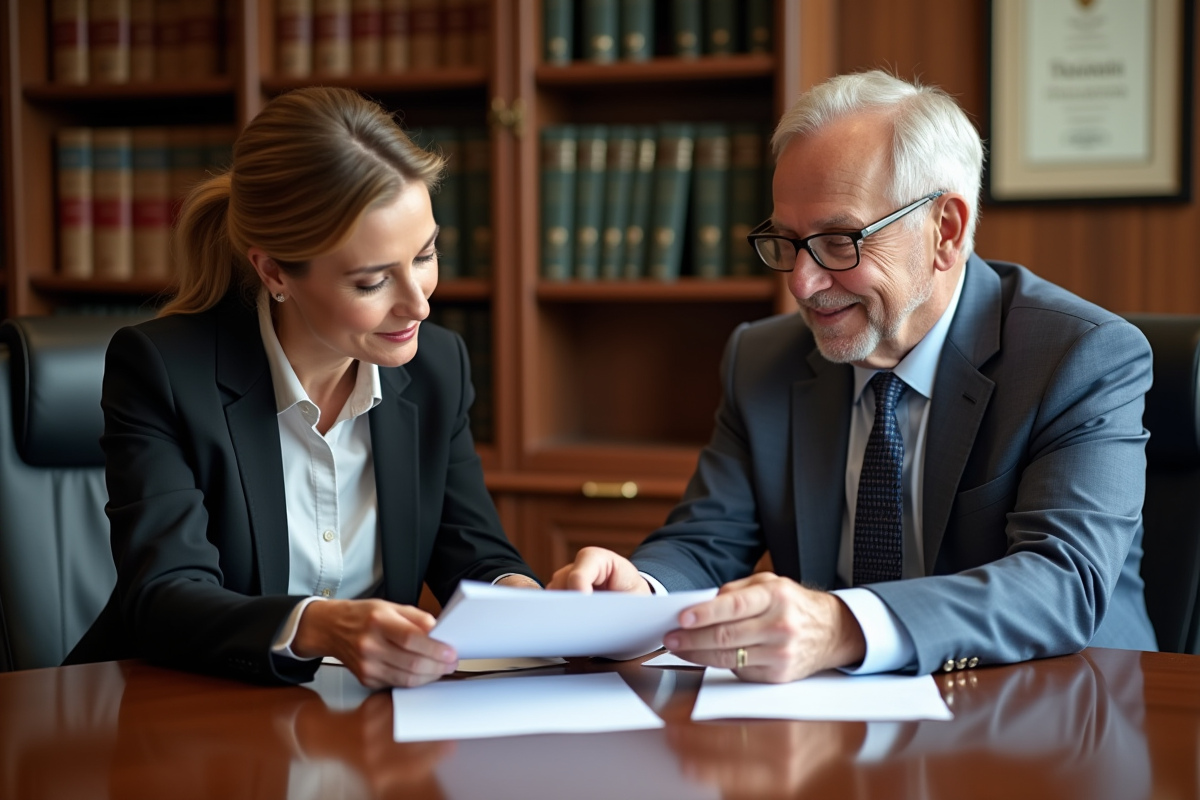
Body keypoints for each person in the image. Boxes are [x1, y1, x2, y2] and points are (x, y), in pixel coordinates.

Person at [549, 70, 1158, 680]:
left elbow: (1061, 582)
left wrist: (844, 626)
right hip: (831, 712)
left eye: (840, 241)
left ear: (944, 230)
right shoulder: (761, 358)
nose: (801, 283)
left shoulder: (1079, 357)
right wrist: (641, 594)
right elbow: (706, 540)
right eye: (787, 242)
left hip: (1059, 699)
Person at [66, 87, 540, 688]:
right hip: (179, 704)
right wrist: (319, 627)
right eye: (372, 282)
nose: (418, 304)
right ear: (274, 271)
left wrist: (534, 604)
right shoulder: (163, 369)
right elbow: (164, 597)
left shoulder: (438, 367)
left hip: (360, 717)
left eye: (425, 256)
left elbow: (476, 554)